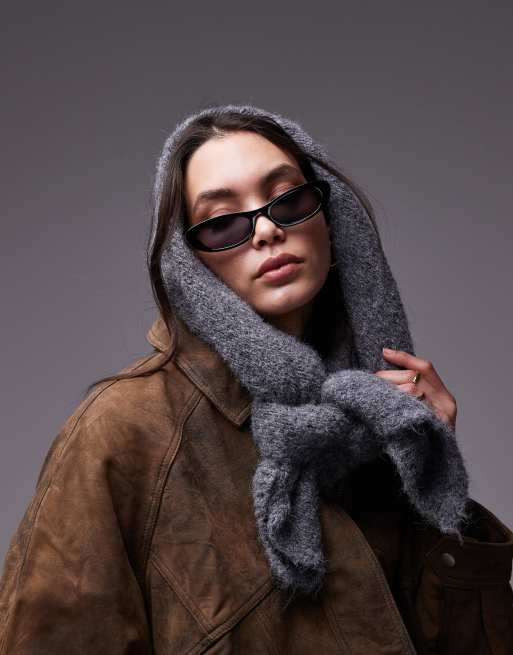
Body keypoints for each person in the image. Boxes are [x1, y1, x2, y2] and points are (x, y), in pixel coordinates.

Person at [1, 104, 512, 655]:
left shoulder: (382, 414)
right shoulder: (124, 431)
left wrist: (434, 465)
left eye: (288, 200)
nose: (267, 230)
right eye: (222, 222)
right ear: (188, 261)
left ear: (331, 217)